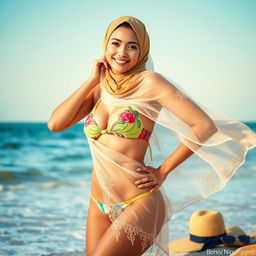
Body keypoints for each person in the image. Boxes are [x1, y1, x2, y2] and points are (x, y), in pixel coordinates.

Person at [48, 16, 256, 256]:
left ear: (142, 50)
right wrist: (91, 80)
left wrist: (163, 170)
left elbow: (203, 125)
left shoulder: (150, 83)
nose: (122, 52)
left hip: (140, 200)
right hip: (98, 203)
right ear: (105, 46)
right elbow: (56, 124)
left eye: (132, 46)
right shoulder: (99, 87)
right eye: (115, 43)